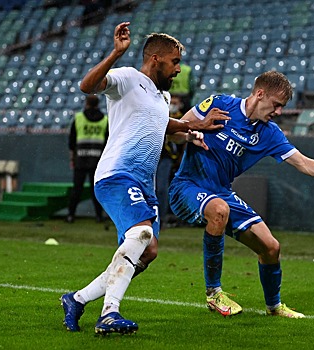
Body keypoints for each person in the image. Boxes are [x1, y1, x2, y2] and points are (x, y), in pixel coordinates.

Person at [60, 22, 228, 335]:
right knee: (140, 235)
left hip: (144, 186)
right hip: (117, 174)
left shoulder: (162, 97)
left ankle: (77, 299)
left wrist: (195, 127)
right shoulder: (127, 78)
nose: (179, 69)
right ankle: (110, 313)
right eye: (175, 62)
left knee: (147, 251)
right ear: (155, 59)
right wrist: (115, 53)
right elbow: (87, 85)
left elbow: (162, 124)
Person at [169, 71, 314, 319]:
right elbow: (175, 131)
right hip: (188, 185)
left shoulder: (269, 133)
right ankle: (214, 293)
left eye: (282, 107)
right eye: (276, 105)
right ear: (260, 94)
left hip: (222, 193)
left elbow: (303, 163)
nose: (278, 112)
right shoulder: (219, 104)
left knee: (271, 247)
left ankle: (274, 307)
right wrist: (191, 133)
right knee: (219, 210)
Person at [66, 94, 108, 224]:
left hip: (81, 158)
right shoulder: (105, 119)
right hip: (97, 160)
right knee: (95, 190)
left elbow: (72, 141)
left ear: (86, 103)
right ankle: (99, 216)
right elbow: (108, 141)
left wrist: (72, 158)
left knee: (76, 189)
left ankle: (71, 215)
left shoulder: (78, 118)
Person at [156, 95, 184, 228]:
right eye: (171, 102)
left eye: (175, 102)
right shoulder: (161, 114)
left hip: (168, 156)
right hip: (155, 155)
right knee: (154, 188)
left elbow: (183, 140)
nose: (172, 104)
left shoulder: (182, 118)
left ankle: (162, 218)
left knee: (162, 188)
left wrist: (180, 157)